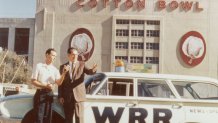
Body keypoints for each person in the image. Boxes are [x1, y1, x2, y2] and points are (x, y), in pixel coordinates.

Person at [58, 47, 97, 123]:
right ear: (68, 55)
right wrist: (60, 96)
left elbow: (90, 72)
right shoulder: (62, 67)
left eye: (76, 54)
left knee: (79, 118)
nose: (75, 56)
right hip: (67, 98)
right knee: (68, 119)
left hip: (79, 97)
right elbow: (60, 83)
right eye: (73, 54)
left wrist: (93, 69)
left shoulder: (82, 64)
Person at [31, 48, 69, 123]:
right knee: (39, 118)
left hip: (49, 95)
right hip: (40, 94)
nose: (54, 57)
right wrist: (45, 86)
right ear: (47, 55)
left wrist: (64, 73)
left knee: (48, 118)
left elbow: (59, 83)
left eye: (55, 56)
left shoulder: (55, 70)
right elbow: (33, 81)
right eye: (52, 55)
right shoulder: (39, 66)